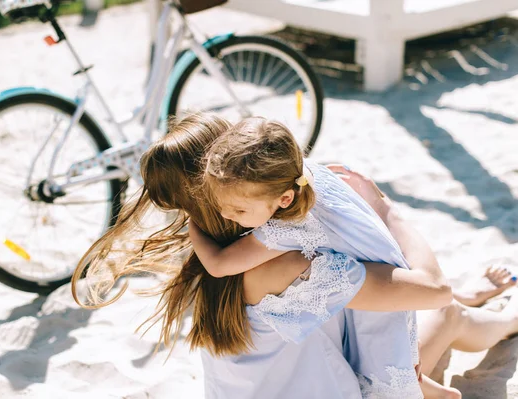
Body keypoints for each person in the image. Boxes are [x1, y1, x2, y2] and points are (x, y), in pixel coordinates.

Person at [72, 113, 514, 398]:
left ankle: (471, 312)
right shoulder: (291, 264)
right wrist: (384, 208)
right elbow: (432, 289)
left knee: (418, 322)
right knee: (447, 309)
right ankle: (493, 316)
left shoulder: (204, 248)